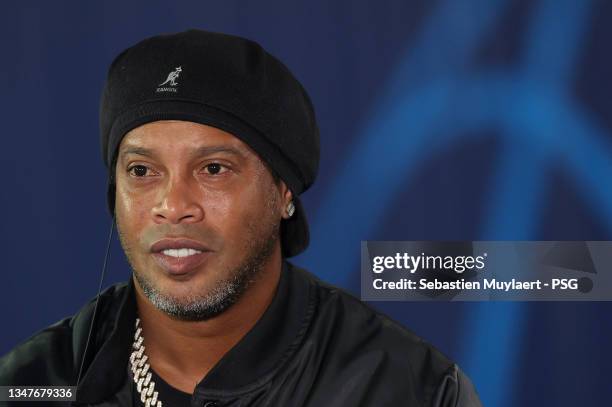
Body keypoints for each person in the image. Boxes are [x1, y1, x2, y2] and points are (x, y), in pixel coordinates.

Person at [0, 29, 482, 407]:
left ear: (283, 192)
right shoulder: (33, 382)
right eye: (142, 171)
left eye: (213, 169)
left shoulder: (409, 390)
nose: (173, 204)